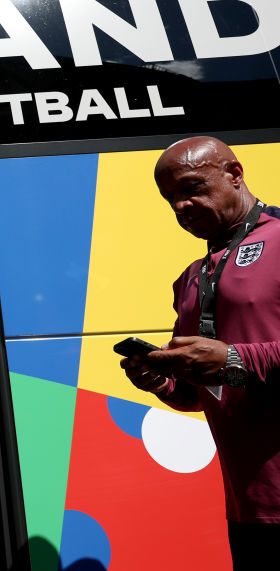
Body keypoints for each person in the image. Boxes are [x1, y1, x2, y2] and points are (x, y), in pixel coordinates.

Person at [120, 136, 280, 570]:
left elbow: (233, 363)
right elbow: (202, 392)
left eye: (191, 187)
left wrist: (233, 360)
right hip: (249, 506)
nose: (180, 206)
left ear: (235, 174)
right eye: (169, 197)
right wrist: (164, 382)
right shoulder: (190, 277)